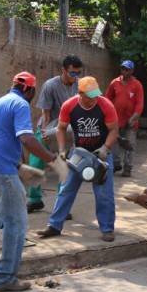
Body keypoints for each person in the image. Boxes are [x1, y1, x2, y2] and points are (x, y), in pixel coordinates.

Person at [0, 72, 60, 292]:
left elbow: (2, 137)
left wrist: (20, 166)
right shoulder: (20, 104)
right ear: (30, 90)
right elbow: (27, 139)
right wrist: (53, 160)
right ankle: (5, 277)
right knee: (16, 223)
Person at [37, 76, 119, 242]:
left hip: (100, 155)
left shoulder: (106, 105)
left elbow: (114, 130)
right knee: (66, 189)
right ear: (80, 93)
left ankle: (107, 228)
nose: (93, 99)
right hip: (78, 154)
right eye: (90, 96)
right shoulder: (70, 106)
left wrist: (105, 148)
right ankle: (54, 225)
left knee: (104, 194)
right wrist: (61, 150)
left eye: (96, 95)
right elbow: (60, 128)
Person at [26, 54, 83, 213]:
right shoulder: (50, 85)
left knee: (64, 165)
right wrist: (44, 133)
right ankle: (34, 199)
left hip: (68, 130)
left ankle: (62, 205)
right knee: (36, 162)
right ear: (63, 70)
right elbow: (46, 114)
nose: (75, 77)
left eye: (78, 73)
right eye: (72, 73)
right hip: (49, 125)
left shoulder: (79, 86)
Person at [105, 60, 144, 177]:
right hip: (116, 121)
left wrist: (133, 118)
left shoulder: (137, 85)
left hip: (130, 121)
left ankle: (128, 168)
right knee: (113, 143)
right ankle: (115, 164)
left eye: (127, 69)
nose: (124, 71)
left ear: (132, 71)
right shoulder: (114, 83)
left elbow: (139, 104)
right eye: (123, 69)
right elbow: (107, 99)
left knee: (130, 145)